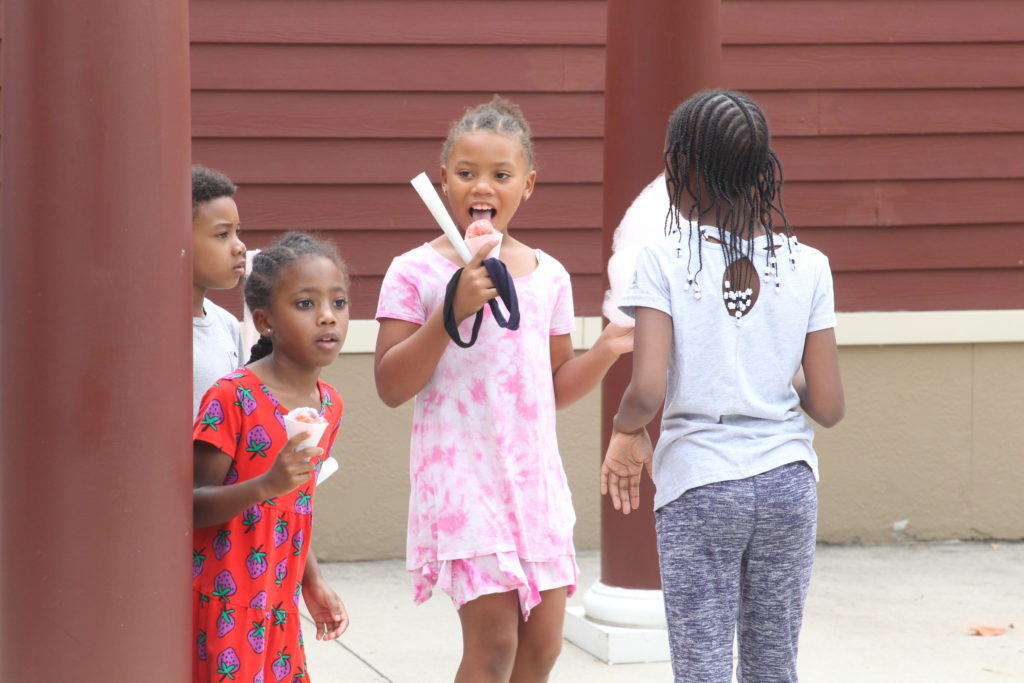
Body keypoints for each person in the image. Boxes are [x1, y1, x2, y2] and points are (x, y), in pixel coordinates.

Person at [374, 96, 633, 682]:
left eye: (500, 174)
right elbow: (391, 384)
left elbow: (555, 386)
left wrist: (606, 350)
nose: (480, 186)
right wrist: (452, 310)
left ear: (528, 184)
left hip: (534, 484)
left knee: (541, 649)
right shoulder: (414, 270)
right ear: (443, 180)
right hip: (462, 477)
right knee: (493, 648)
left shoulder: (549, 275)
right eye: (465, 173)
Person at [601, 90, 846, 682]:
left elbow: (646, 390)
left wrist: (623, 432)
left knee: (703, 666)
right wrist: (785, 375)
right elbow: (831, 406)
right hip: (789, 481)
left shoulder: (662, 259)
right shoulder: (809, 263)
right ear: (763, 170)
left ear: (682, 171)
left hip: (701, 485)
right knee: (772, 666)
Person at [193, 232, 350, 683]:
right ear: (265, 322)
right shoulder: (232, 396)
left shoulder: (329, 406)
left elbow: (294, 505)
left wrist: (311, 579)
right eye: (305, 304)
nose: (327, 317)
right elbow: (193, 503)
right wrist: (265, 484)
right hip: (225, 602)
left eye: (338, 303)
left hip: (278, 605)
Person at [192, 164, 247, 420]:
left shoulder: (227, 325)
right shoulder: (152, 331)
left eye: (237, 232)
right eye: (223, 234)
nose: (239, 247)